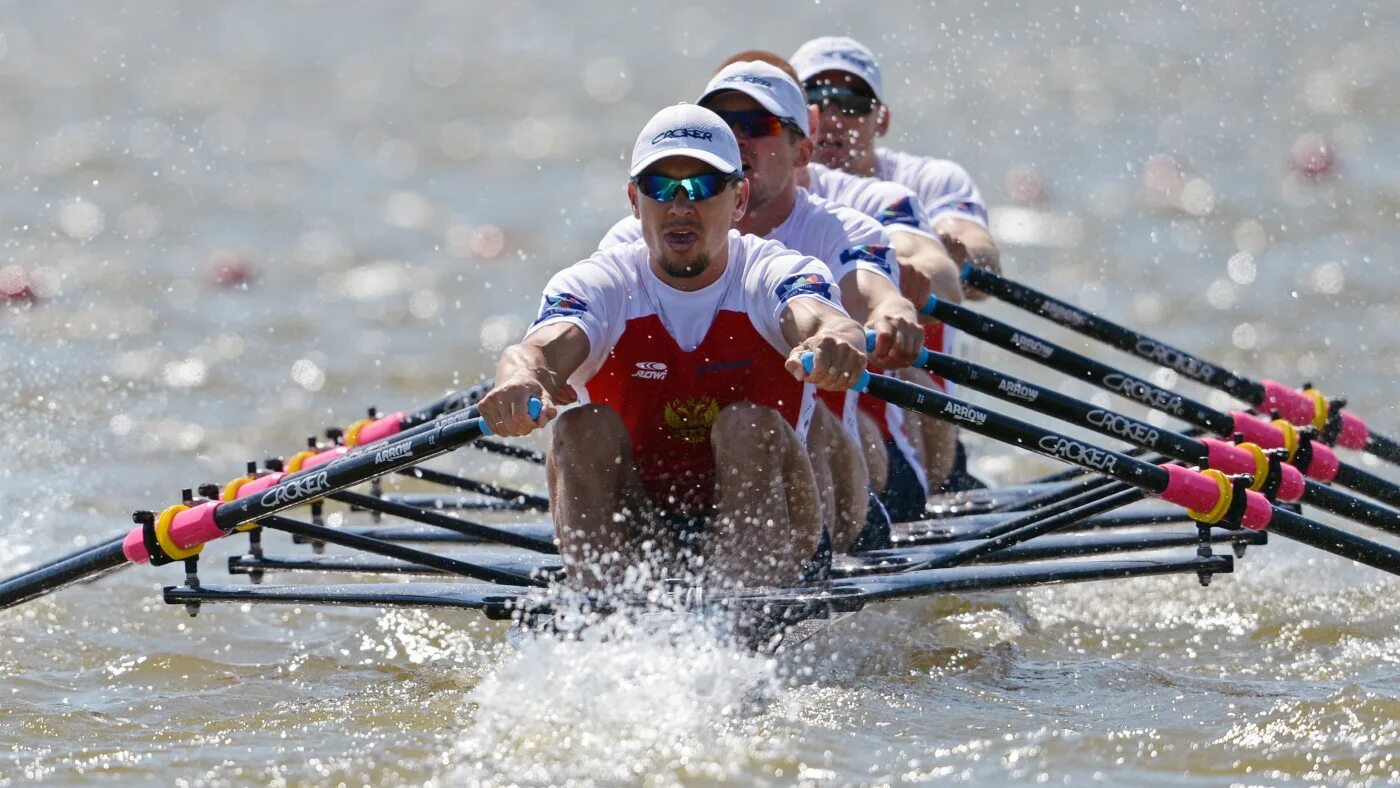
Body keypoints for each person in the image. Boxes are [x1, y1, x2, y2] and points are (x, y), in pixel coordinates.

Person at [478, 104, 869, 592]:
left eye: (702, 186)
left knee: (746, 426)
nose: (680, 205)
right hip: (640, 527)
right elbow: (534, 351)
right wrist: (519, 380)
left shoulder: (776, 271)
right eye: (660, 187)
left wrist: (836, 341)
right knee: (581, 426)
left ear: (739, 199)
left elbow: (825, 318)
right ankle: (612, 616)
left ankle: (739, 620)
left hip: (772, 529)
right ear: (633, 200)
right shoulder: (599, 283)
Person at [600, 60, 929, 532]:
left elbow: (875, 294)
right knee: (584, 430)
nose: (737, 139)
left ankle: (778, 570)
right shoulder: (631, 241)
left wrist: (893, 313)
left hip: (824, 473)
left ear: (803, 152)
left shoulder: (844, 229)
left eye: (758, 126)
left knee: (781, 422)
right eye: (725, 125)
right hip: (680, 463)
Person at [793, 36, 1003, 490]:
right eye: (815, 100)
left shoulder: (926, 181)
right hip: (817, 407)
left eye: (851, 103)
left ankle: (922, 493)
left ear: (881, 118)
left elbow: (980, 267)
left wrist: (955, 257)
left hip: (913, 408)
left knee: (902, 370)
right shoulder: (753, 198)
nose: (832, 118)